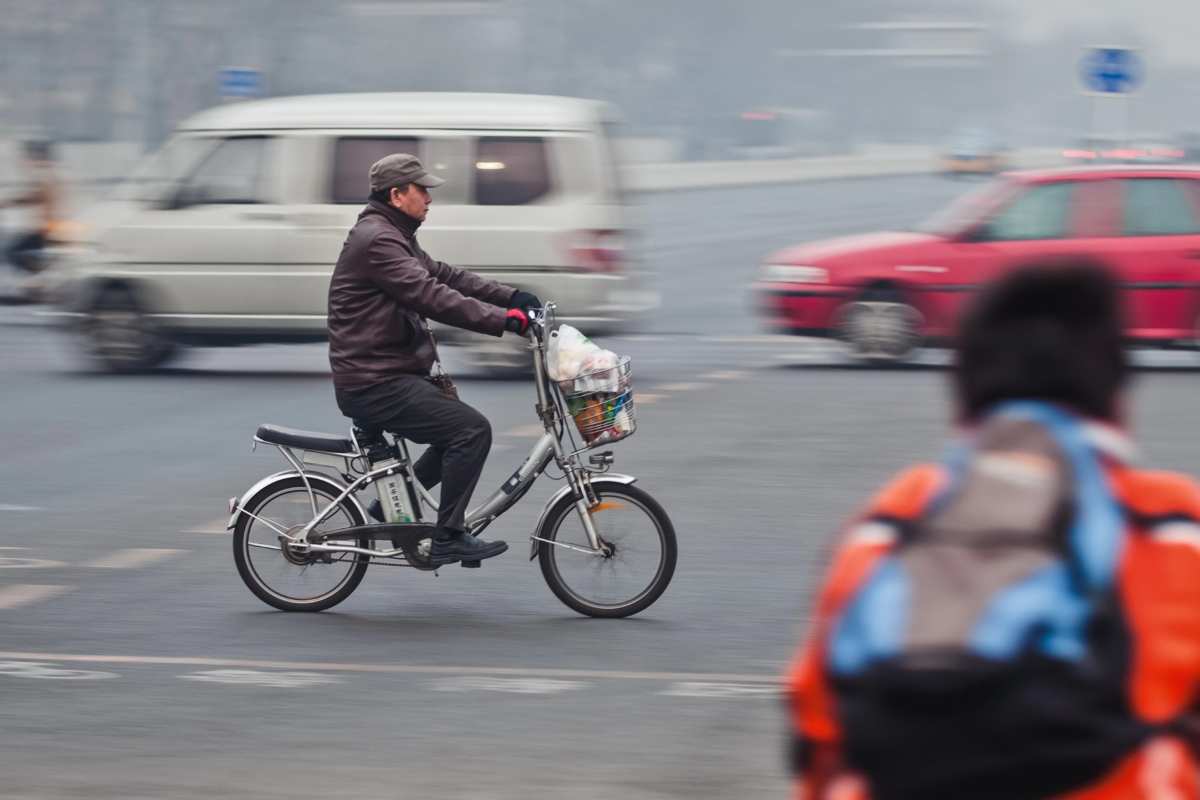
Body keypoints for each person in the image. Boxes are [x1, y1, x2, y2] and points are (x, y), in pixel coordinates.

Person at [787, 260, 1200, 799]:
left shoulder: (892, 524)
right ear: (1118, 401)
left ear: (961, 403)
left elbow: (816, 736)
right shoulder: (1172, 526)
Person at [327, 153, 540, 568]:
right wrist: (505, 322)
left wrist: (511, 297)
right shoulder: (378, 240)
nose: (429, 198)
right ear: (396, 194)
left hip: (388, 372)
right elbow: (432, 297)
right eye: (422, 190)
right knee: (470, 431)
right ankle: (448, 537)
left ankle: (387, 513)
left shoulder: (394, 233)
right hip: (373, 381)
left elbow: (445, 276)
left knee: (454, 432)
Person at [2, 139, 62, 278]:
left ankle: (36, 280)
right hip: (45, 229)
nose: (23, 163)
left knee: (9, 252)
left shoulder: (45, 175)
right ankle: (37, 277)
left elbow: (33, 197)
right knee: (13, 250)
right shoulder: (50, 174)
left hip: (43, 231)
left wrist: (7, 202)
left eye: (26, 157)